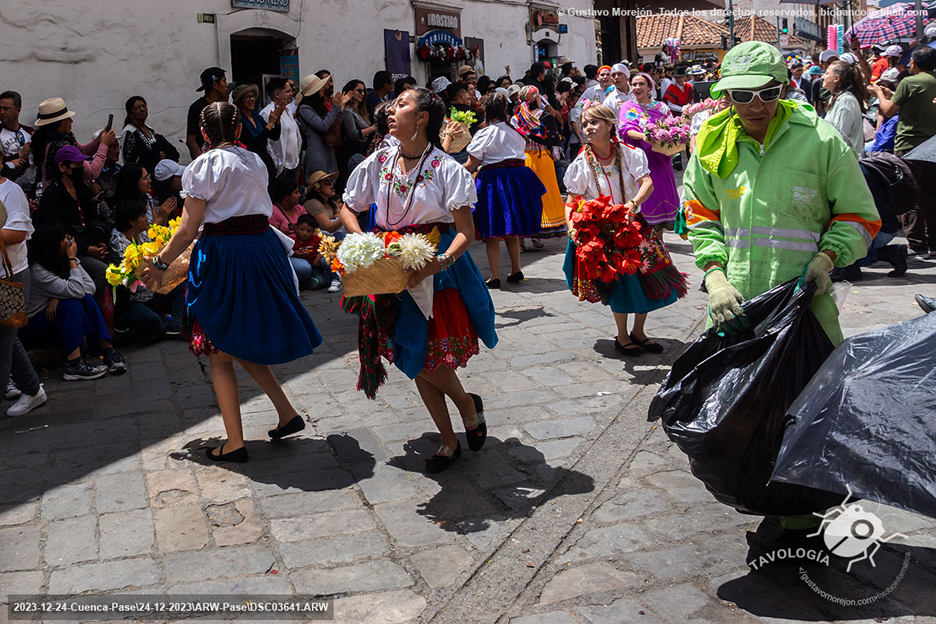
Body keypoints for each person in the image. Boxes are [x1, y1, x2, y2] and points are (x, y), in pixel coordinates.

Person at [139, 101, 323, 463]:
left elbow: (189, 227)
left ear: (204, 134)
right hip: (261, 250)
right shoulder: (254, 160)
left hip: (226, 255)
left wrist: (160, 262)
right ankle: (286, 413)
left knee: (219, 350)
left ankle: (235, 443)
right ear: (239, 130)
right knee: (238, 340)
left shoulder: (203, 165)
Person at [683, 41, 881, 349]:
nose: (756, 106)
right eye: (743, 95)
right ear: (726, 96)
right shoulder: (712, 145)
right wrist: (715, 278)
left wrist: (827, 259)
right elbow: (700, 214)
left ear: (784, 89)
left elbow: (859, 215)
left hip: (804, 309)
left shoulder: (821, 140)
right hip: (733, 311)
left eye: (768, 93)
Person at [341, 87, 496, 473]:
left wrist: (436, 263)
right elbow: (348, 207)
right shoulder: (378, 162)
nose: (390, 112)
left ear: (423, 117)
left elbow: (465, 231)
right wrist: (361, 241)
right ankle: (455, 426)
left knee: (424, 353)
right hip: (387, 268)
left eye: (402, 105)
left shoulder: (448, 169)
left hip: (433, 269)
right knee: (415, 354)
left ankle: (462, 416)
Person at [563, 104, 683, 356]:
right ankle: (622, 335)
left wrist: (633, 203)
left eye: (594, 123)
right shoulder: (581, 163)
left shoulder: (630, 153)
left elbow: (647, 183)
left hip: (634, 225)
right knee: (618, 282)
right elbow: (571, 201)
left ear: (609, 126)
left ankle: (639, 332)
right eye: (585, 124)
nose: (588, 128)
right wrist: (572, 229)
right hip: (603, 230)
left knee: (645, 278)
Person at [22, 224, 127, 379]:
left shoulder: (65, 261)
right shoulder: (39, 271)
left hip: (55, 318)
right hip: (34, 326)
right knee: (72, 304)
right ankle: (75, 365)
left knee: (85, 299)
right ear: (53, 244)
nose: (70, 241)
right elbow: (76, 290)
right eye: (64, 238)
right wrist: (72, 259)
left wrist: (57, 296)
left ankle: (108, 350)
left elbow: (89, 288)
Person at [464, 92, 546, 287]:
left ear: (485, 111)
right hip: (518, 178)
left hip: (494, 180)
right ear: (504, 110)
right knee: (511, 227)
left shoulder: (485, 133)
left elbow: (471, 165)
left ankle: (494, 275)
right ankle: (516, 269)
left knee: (491, 229)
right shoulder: (516, 129)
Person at [871, 46, 936, 258]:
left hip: (909, 145)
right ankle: (933, 243)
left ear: (914, 63)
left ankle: (916, 243)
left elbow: (889, 110)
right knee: (931, 195)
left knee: (911, 195)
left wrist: (880, 93)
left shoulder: (909, 81)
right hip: (932, 146)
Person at [34, 146, 110, 298]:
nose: (81, 168)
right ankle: (92, 310)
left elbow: (92, 216)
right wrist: (87, 248)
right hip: (69, 251)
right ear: (63, 167)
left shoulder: (80, 187)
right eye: (76, 165)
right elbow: (59, 232)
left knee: (119, 260)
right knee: (101, 271)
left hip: (89, 242)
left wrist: (99, 240)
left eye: (82, 165)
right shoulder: (52, 195)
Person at [0, 167, 46, 415]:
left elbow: (18, 233)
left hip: (10, 277)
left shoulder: (11, 191)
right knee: (7, 337)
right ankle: (32, 389)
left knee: (2, 343)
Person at [109, 199, 184, 336]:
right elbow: (129, 281)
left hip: (151, 291)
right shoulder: (118, 244)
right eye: (143, 215)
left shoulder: (141, 234)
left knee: (184, 285)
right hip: (132, 300)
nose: (147, 218)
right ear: (132, 222)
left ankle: (177, 323)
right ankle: (167, 325)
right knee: (152, 321)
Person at [619, 73, 681, 230]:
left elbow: (672, 128)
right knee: (642, 196)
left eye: (641, 84)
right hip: (638, 160)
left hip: (660, 160)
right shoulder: (627, 107)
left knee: (661, 195)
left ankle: (658, 241)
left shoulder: (661, 108)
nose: (637, 87)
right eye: (634, 84)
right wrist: (643, 136)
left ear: (649, 87)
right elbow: (624, 129)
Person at [512, 86, 566, 240]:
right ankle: (540, 229)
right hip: (542, 159)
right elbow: (554, 140)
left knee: (524, 195)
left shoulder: (517, 118)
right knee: (544, 193)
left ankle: (521, 239)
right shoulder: (546, 116)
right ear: (536, 98)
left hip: (524, 159)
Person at [32, 98, 116, 189]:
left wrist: (99, 140)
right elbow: (92, 172)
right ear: (58, 124)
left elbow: (83, 151)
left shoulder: (51, 140)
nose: (71, 121)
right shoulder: (63, 148)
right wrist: (104, 145)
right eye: (67, 119)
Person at [269, 175, 320, 289]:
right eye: (296, 192)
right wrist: (293, 252)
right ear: (286, 196)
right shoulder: (274, 212)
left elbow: (312, 228)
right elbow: (275, 240)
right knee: (304, 269)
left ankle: (310, 278)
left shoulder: (299, 208)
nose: (299, 195)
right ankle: (305, 277)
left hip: (308, 247)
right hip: (290, 253)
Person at [296, 74, 352, 176]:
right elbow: (323, 126)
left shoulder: (318, 106)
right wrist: (335, 107)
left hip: (328, 151)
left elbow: (335, 121)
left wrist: (341, 105)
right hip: (317, 154)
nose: (323, 89)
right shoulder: (304, 109)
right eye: (320, 87)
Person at [231, 84, 283, 184]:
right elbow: (253, 144)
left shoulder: (256, 117)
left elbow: (274, 136)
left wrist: (277, 120)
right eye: (247, 97)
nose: (251, 99)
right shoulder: (239, 121)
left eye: (252, 96)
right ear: (240, 101)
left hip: (264, 160)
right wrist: (270, 123)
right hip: (250, 162)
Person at [823, 60, 869, 157]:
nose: (823, 76)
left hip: (846, 162)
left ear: (836, 78)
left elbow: (839, 137)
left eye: (827, 73)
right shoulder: (836, 98)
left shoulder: (846, 100)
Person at [120, 96, 179, 172]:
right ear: (130, 114)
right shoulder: (129, 132)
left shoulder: (150, 129)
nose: (142, 109)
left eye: (144, 106)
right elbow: (130, 160)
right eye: (138, 107)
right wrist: (155, 156)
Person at [259, 78, 301, 183]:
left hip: (294, 164)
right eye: (287, 91)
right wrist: (276, 162)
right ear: (277, 94)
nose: (291, 93)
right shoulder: (267, 113)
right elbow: (267, 141)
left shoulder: (287, 111)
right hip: (281, 166)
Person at [339, 80, 377, 185]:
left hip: (362, 148)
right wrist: (373, 128)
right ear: (351, 92)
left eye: (364, 91)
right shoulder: (348, 112)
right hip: (351, 150)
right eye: (359, 91)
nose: (362, 94)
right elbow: (353, 134)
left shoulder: (361, 111)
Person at [186, 67, 228, 159]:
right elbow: (191, 139)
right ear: (215, 85)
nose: (226, 85)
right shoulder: (197, 108)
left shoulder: (222, 106)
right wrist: (201, 160)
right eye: (224, 81)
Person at [0, 91, 35, 190]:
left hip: (31, 185)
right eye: (0, 109)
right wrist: (19, 155)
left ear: (18, 110)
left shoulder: (29, 132)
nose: (2, 112)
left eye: (6, 109)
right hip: (7, 186)